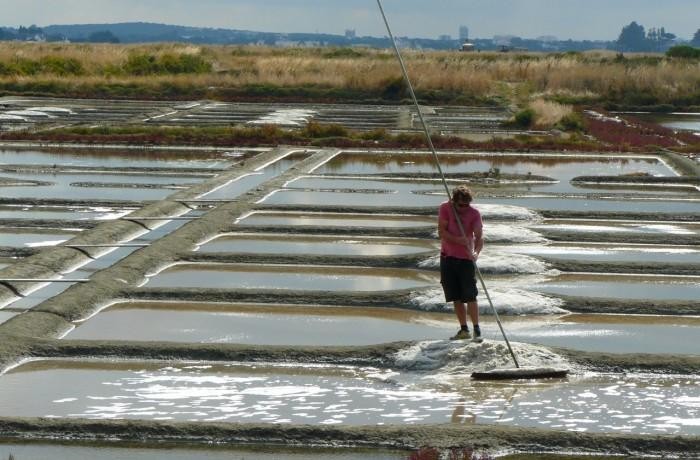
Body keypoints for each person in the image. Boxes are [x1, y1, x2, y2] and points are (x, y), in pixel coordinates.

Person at [438, 185, 484, 341]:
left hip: (466, 259)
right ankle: (464, 330)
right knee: (455, 296)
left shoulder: (474, 213)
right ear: (454, 200)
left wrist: (476, 253)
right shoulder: (445, 208)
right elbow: (442, 232)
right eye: (460, 205)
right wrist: (458, 240)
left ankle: (476, 329)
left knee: (470, 295)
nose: (464, 208)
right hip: (447, 257)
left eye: (467, 205)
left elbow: (479, 237)